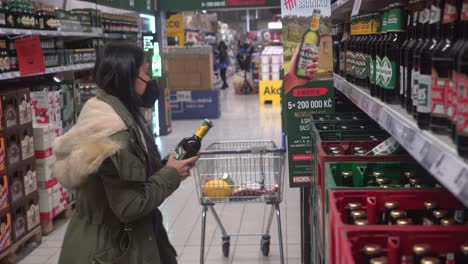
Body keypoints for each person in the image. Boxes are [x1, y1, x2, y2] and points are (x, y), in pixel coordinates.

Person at [53, 42, 199, 264]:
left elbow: (125, 178)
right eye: (146, 73)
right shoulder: (115, 134)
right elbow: (130, 205)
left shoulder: (103, 108)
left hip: (106, 240)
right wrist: (171, 174)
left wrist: (164, 165)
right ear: (128, 76)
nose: (150, 81)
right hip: (107, 251)